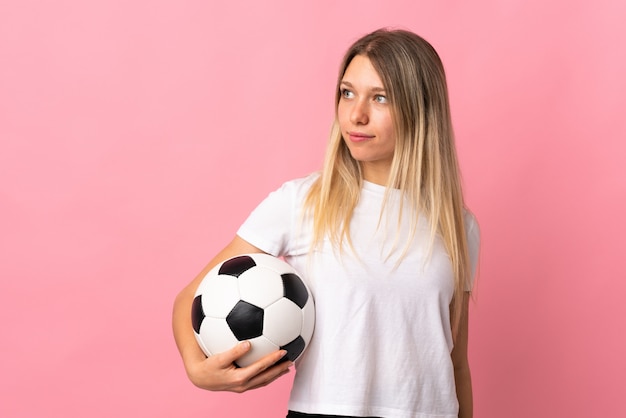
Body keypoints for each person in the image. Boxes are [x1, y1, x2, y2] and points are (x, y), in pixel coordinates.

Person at [172, 28, 480, 418]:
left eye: (380, 97)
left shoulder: (458, 225)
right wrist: (198, 371)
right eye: (347, 93)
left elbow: (455, 365)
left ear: (421, 109)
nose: (356, 114)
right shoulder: (302, 202)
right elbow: (189, 298)